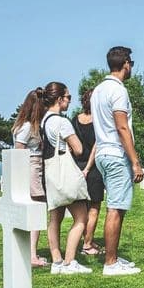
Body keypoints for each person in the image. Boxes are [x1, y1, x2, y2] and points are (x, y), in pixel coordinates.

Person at [91, 46, 144, 276]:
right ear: (126, 64)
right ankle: (110, 263)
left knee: (117, 206)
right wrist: (135, 161)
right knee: (116, 208)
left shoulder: (98, 90)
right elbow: (122, 126)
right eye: (130, 63)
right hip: (115, 153)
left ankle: (113, 257)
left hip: (102, 151)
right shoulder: (118, 91)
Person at [39, 81, 92, 275]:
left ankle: (57, 261)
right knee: (81, 218)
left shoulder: (44, 121)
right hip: (65, 173)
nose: (70, 101)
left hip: (51, 173)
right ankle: (70, 261)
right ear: (60, 99)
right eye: (68, 97)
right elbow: (78, 149)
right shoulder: (62, 121)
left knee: (55, 218)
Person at [11, 87, 48, 268]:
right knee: (37, 210)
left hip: (35, 166)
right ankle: (32, 255)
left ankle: (30, 251)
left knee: (37, 209)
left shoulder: (28, 125)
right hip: (31, 167)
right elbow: (19, 152)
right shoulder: (26, 127)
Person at [71, 89, 104, 256]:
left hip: (76, 166)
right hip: (92, 168)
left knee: (82, 208)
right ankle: (87, 243)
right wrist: (88, 168)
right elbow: (96, 147)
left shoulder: (74, 120)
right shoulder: (99, 121)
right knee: (94, 207)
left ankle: (85, 241)